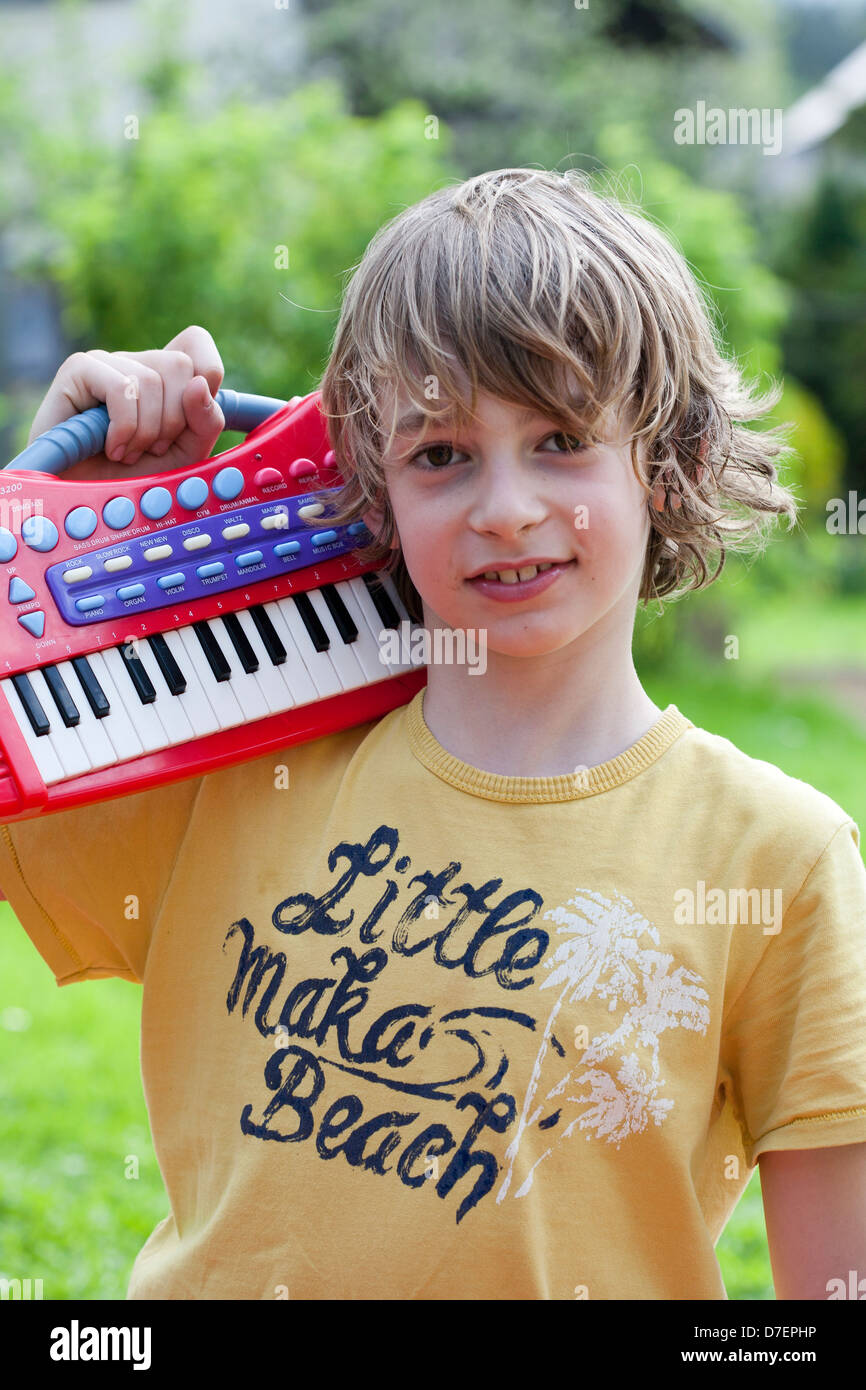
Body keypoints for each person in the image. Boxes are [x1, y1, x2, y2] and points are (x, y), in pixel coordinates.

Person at [1, 167, 865, 1301]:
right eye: (439, 453)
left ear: (671, 462)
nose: (502, 506)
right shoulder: (221, 766)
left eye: (559, 437)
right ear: (370, 491)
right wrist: (50, 533)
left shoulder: (776, 856)